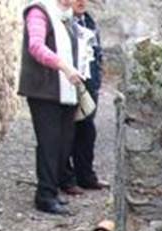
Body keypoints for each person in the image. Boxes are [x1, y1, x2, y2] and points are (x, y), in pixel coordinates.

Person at [18, 0, 83, 215]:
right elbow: (36, 46)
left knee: (64, 143)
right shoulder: (39, 11)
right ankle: (44, 196)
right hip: (44, 91)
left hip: (66, 90)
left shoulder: (67, 16)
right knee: (49, 144)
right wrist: (64, 66)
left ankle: (52, 189)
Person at [62, 0, 106, 195]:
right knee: (66, 132)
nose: (81, 1)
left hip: (88, 85)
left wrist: (95, 83)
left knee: (87, 130)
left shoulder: (89, 22)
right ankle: (65, 179)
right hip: (68, 82)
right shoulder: (62, 21)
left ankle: (85, 176)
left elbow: (96, 55)